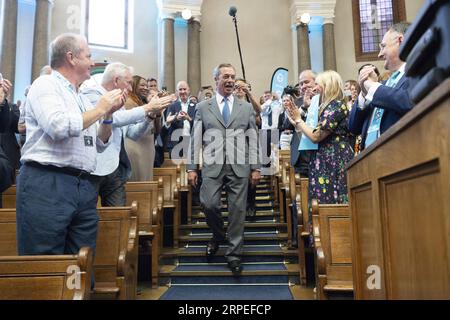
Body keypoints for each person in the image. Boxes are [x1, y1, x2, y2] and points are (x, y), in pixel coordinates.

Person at [16, 33, 125, 256]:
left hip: (83, 185)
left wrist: (107, 117)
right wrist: (100, 109)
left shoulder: (81, 97)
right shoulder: (45, 85)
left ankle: (79, 292)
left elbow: (99, 142)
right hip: (48, 182)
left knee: (81, 262)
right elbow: (58, 126)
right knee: (45, 261)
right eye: (88, 56)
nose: (93, 63)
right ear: (71, 57)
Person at [187, 63, 261, 275]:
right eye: (226, 76)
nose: (230, 80)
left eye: (233, 77)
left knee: (237, 212)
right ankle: (219, 235)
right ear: (216, 79)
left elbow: (253, 139)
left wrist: (256, 167)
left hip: (240, 166)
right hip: (212, 166)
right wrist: (192, 168)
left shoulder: (245, 107)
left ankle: (234, 254)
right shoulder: (203, 107)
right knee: (209, 205)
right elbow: (195, 140)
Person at [82, 63, 174, 206]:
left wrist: (150, 116)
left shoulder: (121, 102)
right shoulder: (92, 95)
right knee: (88, 217)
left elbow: (133, 134)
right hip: (94, 168)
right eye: (129, 83)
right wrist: (147, 107)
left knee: (118, 215)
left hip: (115, 168)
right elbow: (112, 119)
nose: (131, 88)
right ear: (116, 80)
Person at [287, 70, 354, 207]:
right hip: (323, 159)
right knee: (320, 202)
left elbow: (315, 136)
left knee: (330, 202)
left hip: (334, 159)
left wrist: (299, 120)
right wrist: (298, 120)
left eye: (317, 84)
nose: (314, 88)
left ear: (327, 85)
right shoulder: (325, 106)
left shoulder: (336, 106)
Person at [348, 22, 414, 150]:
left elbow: (408, 102)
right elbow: (353, 127)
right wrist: (364, 92)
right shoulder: (382, 87)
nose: (379, 54)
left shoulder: (416, 73)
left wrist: (371, 86)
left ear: (400, 41)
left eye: (383, 46)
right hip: (369, 160)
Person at [234, 78, 261, 221]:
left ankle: (251, 203)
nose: (238, 89)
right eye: (236, 86)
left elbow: (260, 111)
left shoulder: (250, 102)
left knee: (252, 176)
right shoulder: (230, 102)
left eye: (241, 87)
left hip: (250, 142)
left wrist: (248, 93)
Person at [124, 75, 159, 181]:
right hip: (136, 146)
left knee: (145, 182)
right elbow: (133, 130)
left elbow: (154, 128)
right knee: (138, 183)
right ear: (134, 85)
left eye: (146, 86)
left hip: (146, 146)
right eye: (142, 85)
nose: (146, 88)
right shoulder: (129, 102)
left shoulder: (141, 102)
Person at [165, 81, 196, 159]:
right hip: (175, 141)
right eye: (180, 89)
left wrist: (189, 119)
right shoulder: (172, 105)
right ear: (176, 92)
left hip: (190, 141)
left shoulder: (196, 106)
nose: (182, 92)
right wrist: (176, 118)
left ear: (189, 90)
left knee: (190, 167)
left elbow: (199, 124)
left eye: (184, 89)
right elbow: (167, 122)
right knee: (176, 167)